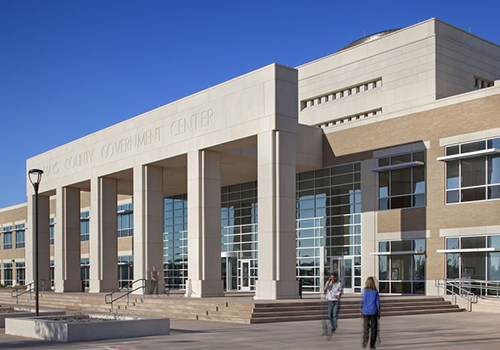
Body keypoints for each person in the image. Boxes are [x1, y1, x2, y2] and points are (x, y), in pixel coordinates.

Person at [360, 276, 381, 349]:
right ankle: (372, 344)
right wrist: (379, 310)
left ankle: (365, 340)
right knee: (374, 328)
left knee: (366, 327)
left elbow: (361, 301)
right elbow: (377, 302)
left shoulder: (363, 291)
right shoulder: (375, 291)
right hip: (373, 311)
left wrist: (360, 309)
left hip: (365, 311)